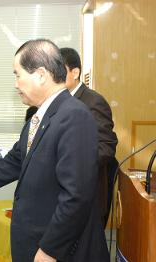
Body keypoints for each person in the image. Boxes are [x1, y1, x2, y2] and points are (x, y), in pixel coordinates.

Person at [0, 39, 109, 261]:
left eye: (17, 75)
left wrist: (50, 250)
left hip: (59, 249)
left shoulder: (74, 116)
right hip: (34, 238)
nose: (16, 84)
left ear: (40, 74)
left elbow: (77, 195)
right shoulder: (39, 117)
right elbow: (11, 163)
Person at [60, 47, 118, 228]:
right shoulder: (59, 101)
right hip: (64, 190)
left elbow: (106, 148)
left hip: (87, 191)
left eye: (59, 70)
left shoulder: (93, 101)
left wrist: (70, 164)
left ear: (75, 72)